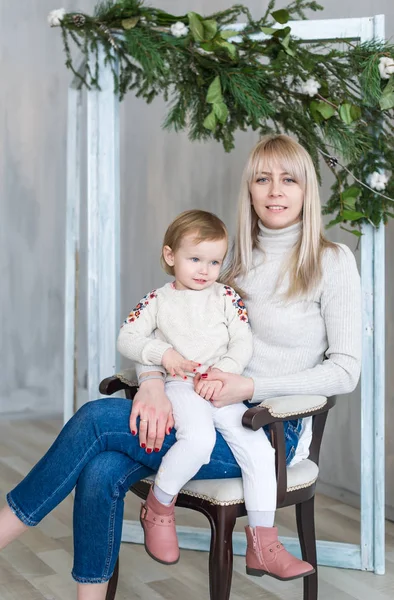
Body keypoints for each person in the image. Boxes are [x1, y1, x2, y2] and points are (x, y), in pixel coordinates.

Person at [0, 134, 361, 600]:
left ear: (306, 189)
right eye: (262, 178)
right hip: (199, 407)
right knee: (103, 467)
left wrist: (249, 384)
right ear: (248, 190)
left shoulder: (332, 262)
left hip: (267, 432)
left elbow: (345, 371)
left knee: (95, 421)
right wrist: (150, 384)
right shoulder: (229, 263)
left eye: (289, 179)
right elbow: (175, 334)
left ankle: (5, 528)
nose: (275, 190)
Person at [117, 208, 314, 576]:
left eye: (213, 261)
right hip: (181, 386)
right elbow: (127, 337)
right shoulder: (157, 301)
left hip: (221, 389)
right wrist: (165, 354)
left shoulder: (226, 297)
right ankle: (159, 507)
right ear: (170, 256)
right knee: (198, 440)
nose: (204, 270)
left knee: (259, 451)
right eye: (195, 259)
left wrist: (224, 372)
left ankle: (263, 543)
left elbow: (242, 343)